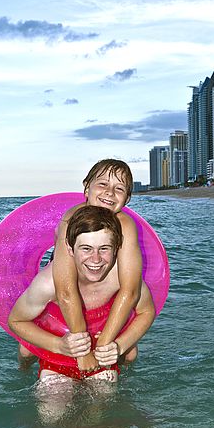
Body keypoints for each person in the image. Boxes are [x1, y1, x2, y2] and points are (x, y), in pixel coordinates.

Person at [18, 159, 143, 373]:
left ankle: (120, 374)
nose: (109, 193)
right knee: (26, 350)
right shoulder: (71, 220)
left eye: (119, 188)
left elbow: (130, 290)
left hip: (99, 276)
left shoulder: (126, 226)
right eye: (102, 184)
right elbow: (65, 289)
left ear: (127, 198)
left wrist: (105, 343)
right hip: (65, 277)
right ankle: (22, 370)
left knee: (130, 353)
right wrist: (83, 353)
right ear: (87, 187)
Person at [8, 205, 155, 387]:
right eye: (86, 249)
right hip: (60, 339)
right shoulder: (48, 284)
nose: (95, 259)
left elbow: (146, 311)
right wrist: (58, 345)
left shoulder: (123, 278)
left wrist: (120, 346)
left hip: (101, 336)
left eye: (104, 249)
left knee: (108, 392)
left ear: (117, 249)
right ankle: (23, 368)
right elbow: (15, 321)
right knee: (51, 406)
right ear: (70, 250)